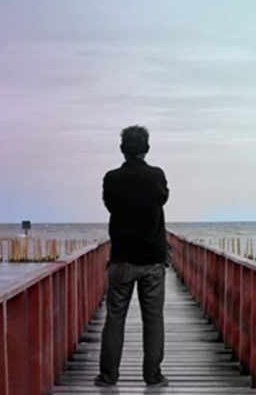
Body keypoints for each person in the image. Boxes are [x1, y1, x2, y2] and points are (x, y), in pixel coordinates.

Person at [94, 125, 170, 387]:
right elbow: (163, 198)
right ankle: (153, 376)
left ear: (122, 149)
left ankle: (108, 376)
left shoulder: (111, 178)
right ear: (146, 149)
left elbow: (110, 204)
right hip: (152, 260)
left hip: (121, 258)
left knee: (115, 317)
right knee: (153, 318)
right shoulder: (156, 176)